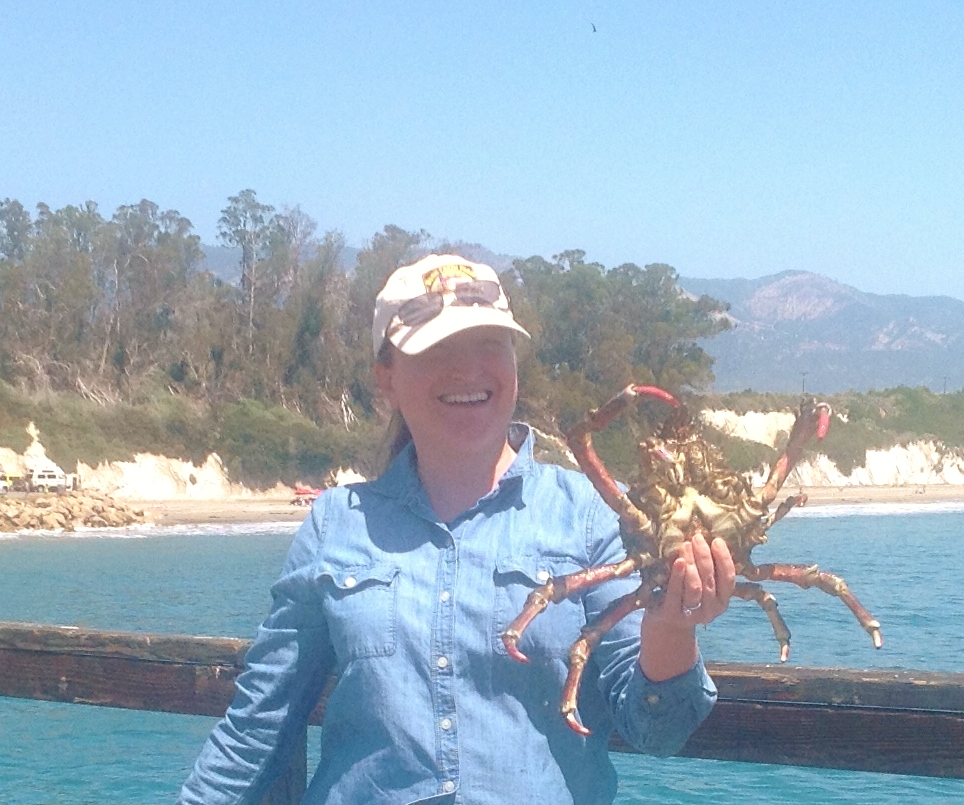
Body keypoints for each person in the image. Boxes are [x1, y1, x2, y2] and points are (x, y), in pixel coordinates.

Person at [178, 253, 736, 805]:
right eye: (437, 349)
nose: (466, 369)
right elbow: (257, 728)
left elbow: (658, 730)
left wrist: (671, 628)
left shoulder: (590, 515)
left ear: (514, 362)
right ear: (387, 379)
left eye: (488, 344)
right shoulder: (335, 524)